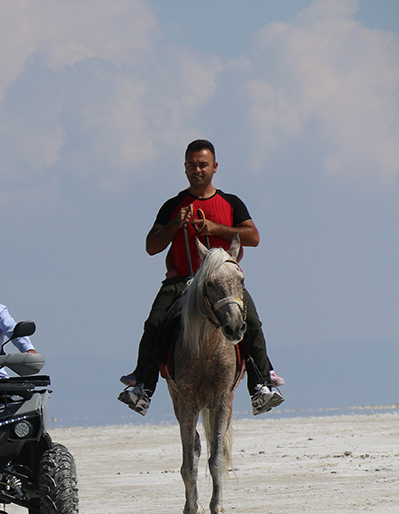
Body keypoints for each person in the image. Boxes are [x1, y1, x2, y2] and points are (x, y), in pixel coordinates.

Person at [120, 139, 285, 416]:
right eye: (191, 165)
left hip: (222, 281)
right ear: (184, 168)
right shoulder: (173, 205)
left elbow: (253, 237)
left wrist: (215, 228)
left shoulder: (231, 203)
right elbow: (151, 246)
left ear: (215, 167)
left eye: (203, 165)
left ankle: (260, 385)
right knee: (155, 322)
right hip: (182, 280)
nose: (197, 170)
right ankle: (143, 387)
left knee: (251, 322)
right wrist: (175, 224)